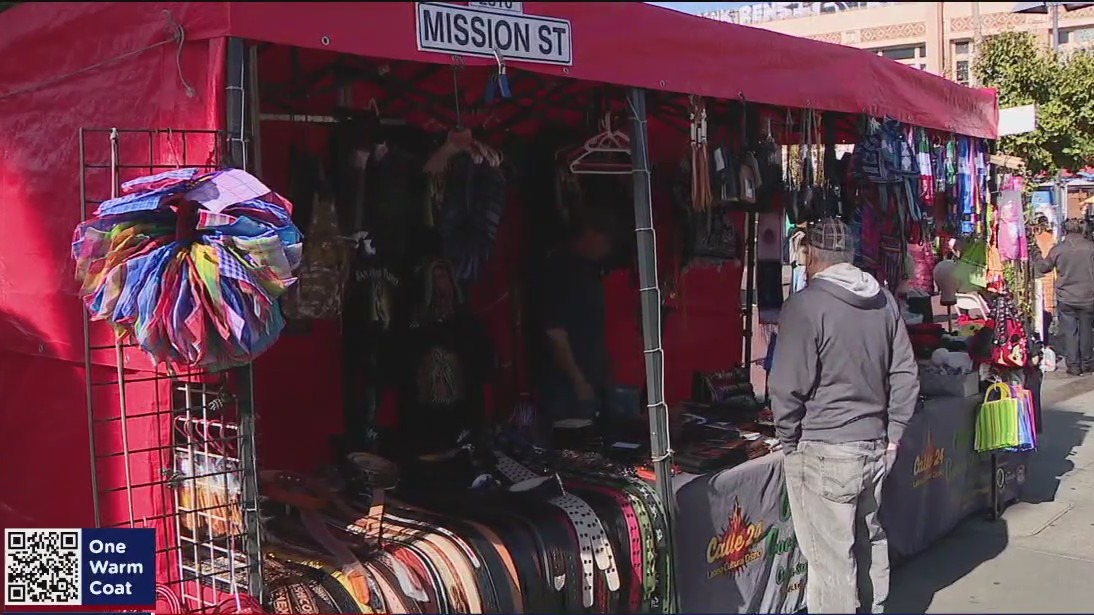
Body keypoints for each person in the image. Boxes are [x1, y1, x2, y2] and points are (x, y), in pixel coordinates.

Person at [769, 218, 919, 614]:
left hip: (824, 448)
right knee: (869, 542)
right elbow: (905, 373)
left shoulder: (806, 305)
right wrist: (892, 435)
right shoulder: (883, 300)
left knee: (832, 563)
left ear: (811, 255)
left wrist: (789, 442)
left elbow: (786, 386)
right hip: (873, 445)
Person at [536, 209, 616, 444]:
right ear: (589, 234)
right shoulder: (560, 269)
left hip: (588, 379)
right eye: (605, 238)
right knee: (574, 447)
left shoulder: (588, 270)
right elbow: (555, 332)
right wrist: (577, 379)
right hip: (566, 387)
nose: (608, 247)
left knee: (594, 444)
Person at [1036, 218, 1094, 376]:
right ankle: (1087, 363)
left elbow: (1044, 268)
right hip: (1088, 296)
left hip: (1066, 297)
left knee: (1070, 332)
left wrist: (1036, 254)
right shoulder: (1090, 247)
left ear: (1065, 230)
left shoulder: (1058, 249)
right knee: (1086, 331)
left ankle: (1073, 365)